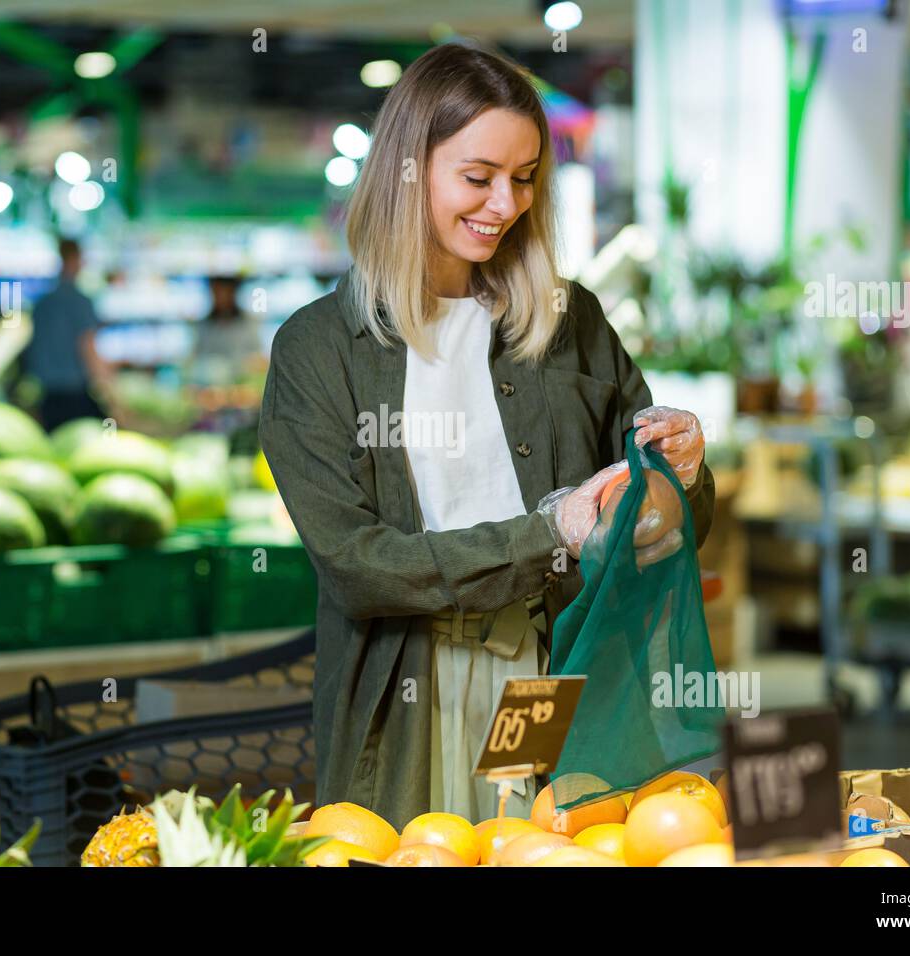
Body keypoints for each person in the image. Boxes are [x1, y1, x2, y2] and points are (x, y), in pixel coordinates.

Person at [258, 43, 716, 829]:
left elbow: (659, 529)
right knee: (424, 843)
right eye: (478, 178)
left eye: (526, 177)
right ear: (407, 171)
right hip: (410, 688)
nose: (506, 204)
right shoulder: (317, 351)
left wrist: (679, 480)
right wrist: (550, 533)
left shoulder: (571, 325)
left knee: (551, 846)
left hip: (550, 670)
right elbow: (357, 566)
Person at [26, 238, 113, 430]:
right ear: (76, 259)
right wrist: (110, 392)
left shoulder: (42, 304)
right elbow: (87, 347)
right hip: (76, 396)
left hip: (47, 396)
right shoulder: (80, 302)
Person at [188, 275, 265, 387]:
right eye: (217, 292)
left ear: (233, 293)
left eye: (225, 292)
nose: (221, 298)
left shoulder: (249, 323)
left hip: (242, 388)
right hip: (209, 389)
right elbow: (195, 359)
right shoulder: (202, 325)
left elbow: (257, 357)